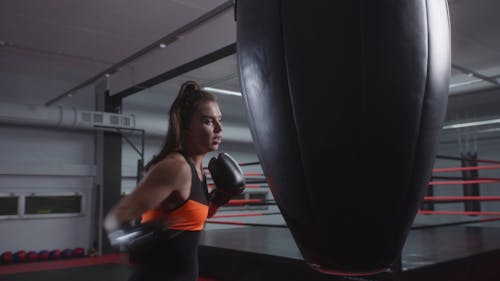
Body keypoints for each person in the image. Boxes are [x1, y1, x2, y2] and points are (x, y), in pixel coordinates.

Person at [104, 81, 245, 281]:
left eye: (219, 120)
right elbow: (115, 218)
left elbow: (191, 220)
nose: (219, 128)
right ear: (187, 126)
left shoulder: (199, 171)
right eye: (208, 121)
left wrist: (217, 201)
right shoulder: (175, 168)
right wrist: (142, 236)